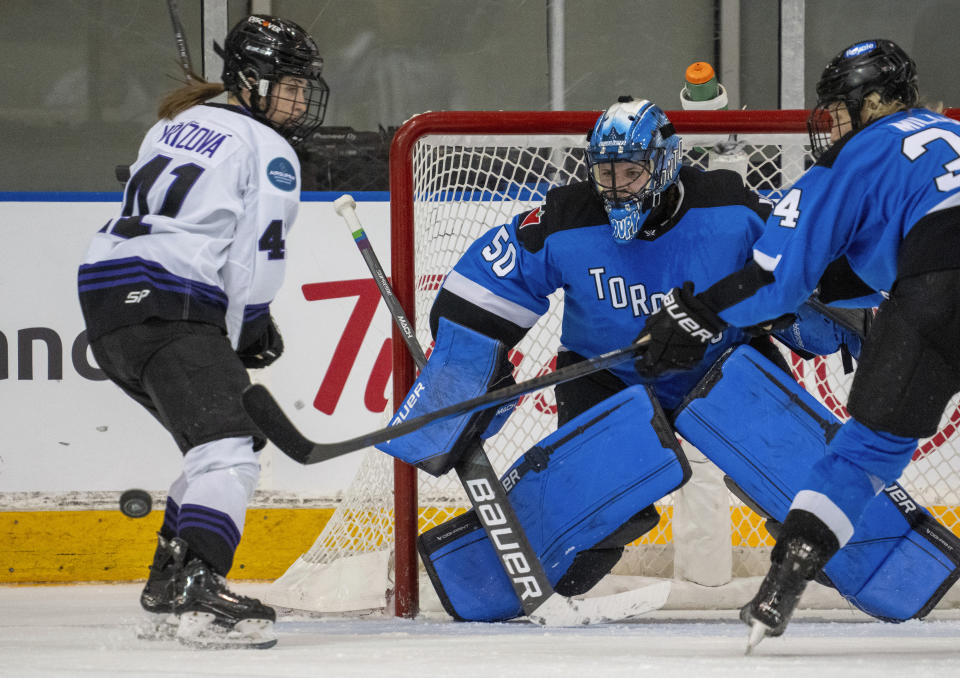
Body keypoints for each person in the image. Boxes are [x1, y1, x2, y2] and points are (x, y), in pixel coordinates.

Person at [381, 97, 853, 621]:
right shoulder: (568, 216)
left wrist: (832, 318)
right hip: (606, 377)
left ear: (665, 162)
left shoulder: (728, 205)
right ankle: (516, 578)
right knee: (590, 509)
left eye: (631, 171)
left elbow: (796, 268)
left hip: (724, 367)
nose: (616, 186)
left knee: (804, 476)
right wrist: (471, 359)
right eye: (605, 172)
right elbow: (485, 282)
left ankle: (870, 556)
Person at [632, 39, 960, 647]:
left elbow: (778, 279)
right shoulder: (948, 134)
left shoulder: (862, 152)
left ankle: (781, 585)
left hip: (936, 292)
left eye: (840, 107)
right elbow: (866, 272)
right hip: (933, 267)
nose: (831, 122)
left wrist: (698, 313)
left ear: (879, 103)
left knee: (862, 457)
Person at [77, 15, 329, 649]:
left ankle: (169, 581)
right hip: (169, 299)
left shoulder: (171, 124)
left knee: (214, 445)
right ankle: (198, 586)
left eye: (303, 87)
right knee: (231, 448)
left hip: (107, 303)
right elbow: (255, 259)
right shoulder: (269, 149)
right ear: (249, 80)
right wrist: (249, 328)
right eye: (289, 85)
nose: (299, 100)